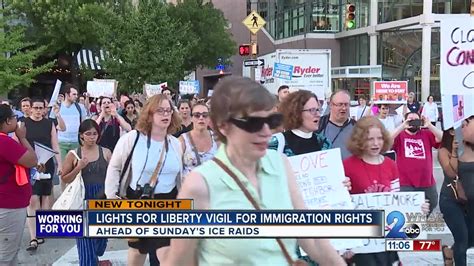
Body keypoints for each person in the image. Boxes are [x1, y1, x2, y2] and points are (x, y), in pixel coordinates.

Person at [162, 77, 345, 266]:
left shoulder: (280, 164)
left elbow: (310, 236)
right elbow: (178, 261)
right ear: (224, 126)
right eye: (253, 123)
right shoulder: (200, 185)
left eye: (271, 121)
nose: (266, 131)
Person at [268, 90, 351, 265]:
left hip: (319, 229)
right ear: (297, 113)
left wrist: (342, 185)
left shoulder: (324, 143)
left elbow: (333, 182)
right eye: (311, 110)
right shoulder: (277, 143)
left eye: (318, 110)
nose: (317, 115)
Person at [105, 94, 182, 266]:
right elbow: (114, 168)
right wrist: (112, 200)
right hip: (138, 200)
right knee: (138, 249)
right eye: (160, 110)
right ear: (149, 114)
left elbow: (181, 176)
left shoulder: (176, 144)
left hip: (168, 204)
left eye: (168, 110)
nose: (165, 115)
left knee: (166, 252)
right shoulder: (132, 139)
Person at [61, 119, 112, 266]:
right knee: (85, 241)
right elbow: (64, 178)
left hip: (102, 197)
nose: (92, 137)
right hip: (81, 198)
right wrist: (78, 168)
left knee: (101, 238)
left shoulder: (106, 152)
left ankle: (94, 257)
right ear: (81, 135)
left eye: (95, 133)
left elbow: (114, 176)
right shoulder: (73, 154)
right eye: (88, 134)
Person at [0, 104, 38, 265]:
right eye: (15, 118)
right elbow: (32, 160)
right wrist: (22, 137)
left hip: (7, 204)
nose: (17, 121)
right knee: (6, 256)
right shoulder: (4, 142)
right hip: (8, 206)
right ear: (8, 121)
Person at [24, 98, 61, 251]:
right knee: (33, 200)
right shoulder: (23, 123)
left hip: (47, 164)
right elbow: (18, 143)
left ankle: (42, 229)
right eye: (36, 108)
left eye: (41, 108)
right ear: (30, 109)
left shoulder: (49, 123)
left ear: (45, 109)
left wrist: (59, 163)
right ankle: (33, 237)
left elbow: (55, 143)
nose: (39, 111)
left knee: (45, 198)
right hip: (30, 164)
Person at [438, 118, 474, 266]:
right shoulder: (444, 150)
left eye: (467, 125)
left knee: (470, 238)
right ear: (452, 131)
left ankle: (450, 252)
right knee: (462, 238)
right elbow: (451, 174)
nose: (465, 128)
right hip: (451, 201)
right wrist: (454, 151)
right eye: (462, 125)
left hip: (470, 201)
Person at [391, 111, 443, 213]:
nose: (413, 122)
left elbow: (442, 138)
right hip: (405, 183)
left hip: (426, 182)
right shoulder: (400, 136)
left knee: (432, 202)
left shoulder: (426, 134)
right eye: (410, 120)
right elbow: (386, 140)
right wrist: (402, 126)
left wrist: (429, 125)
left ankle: (420, 223)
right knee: (407, 211)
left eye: (416, 120)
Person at [179, 103, 218, 177]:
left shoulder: (217, 139)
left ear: (209, 118)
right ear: (191, 118)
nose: (201, 118)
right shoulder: (182, 140)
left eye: (205, 115)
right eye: (197, 115)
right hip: (189, 186)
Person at [317, 90, 355, 160]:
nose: (344, 108)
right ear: (331, 105)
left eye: (346, 104)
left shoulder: (357, 127)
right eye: (340, 104)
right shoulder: (319, 125)